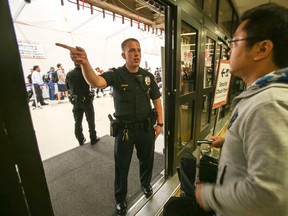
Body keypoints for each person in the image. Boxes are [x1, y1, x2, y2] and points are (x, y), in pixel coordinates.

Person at [195, 3, 288, 216]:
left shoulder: (269, 105)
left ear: (262, 49)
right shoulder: (263, 98)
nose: (229, 49)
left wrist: (209, 195)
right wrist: (229, 141)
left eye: (235, 42)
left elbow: (270, 197)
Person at [56, 38, 163, 216]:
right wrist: (85, 62)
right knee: (122, 167)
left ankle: (146, 185)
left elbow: (157, 100)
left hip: (146, 129)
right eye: (131, 50)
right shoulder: (116, 74)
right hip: (125, 132)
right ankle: (121, 199)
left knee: (147, 161)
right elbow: (95, 82)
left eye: (138, 50)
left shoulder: (148, 76)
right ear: (124, 55)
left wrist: (160, 123)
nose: (136, 54)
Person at [65, 64, 100, 146]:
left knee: (77, 121)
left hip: (76, 101)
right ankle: (93, 138)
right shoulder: (86, 73)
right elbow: (93, 84)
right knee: (90, 121)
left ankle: (80, 139)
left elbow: (67, 87)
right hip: (87, 101)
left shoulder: (69, 74)